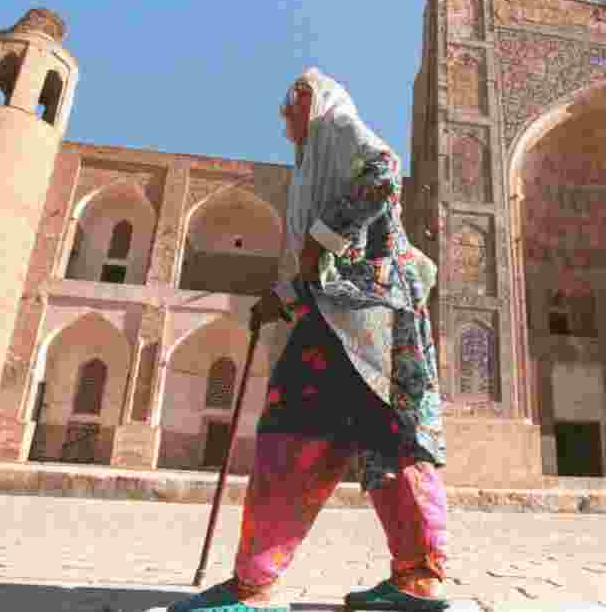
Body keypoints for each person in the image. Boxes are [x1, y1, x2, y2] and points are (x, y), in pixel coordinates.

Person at [166, 68, 448, 612]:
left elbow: (384, 173)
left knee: (316, 437)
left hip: (367, 322)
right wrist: (286, 297)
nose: (285, 121)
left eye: (289, 107)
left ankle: (263, 585)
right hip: (354, 319)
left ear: (309, 100)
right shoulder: (314, 172)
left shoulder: (338, 127)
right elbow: (332, 264)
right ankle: (404, 582)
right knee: (363, 442)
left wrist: (320, 242)